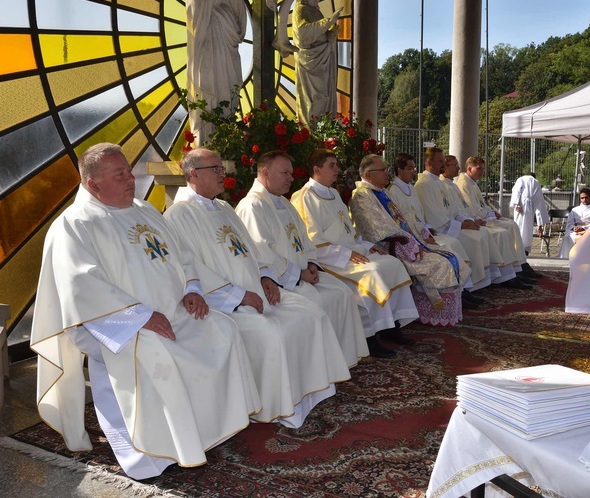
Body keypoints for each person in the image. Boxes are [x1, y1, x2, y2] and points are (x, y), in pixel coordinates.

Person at [30, 143, 261, 480]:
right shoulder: (74, 225)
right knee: (159, 354)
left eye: (128, 170)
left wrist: (192, 289)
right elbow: (82, 286)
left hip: (174, 311)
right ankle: (149, 457)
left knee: (222, 329)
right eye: (119, 174)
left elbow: (182, 255)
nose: (130, 179)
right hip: (117, 324)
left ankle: (203, 433)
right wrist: (140, 317)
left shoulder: (145, 210)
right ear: (93, 184)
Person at [164, 148, 351, 428]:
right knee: (274, 334)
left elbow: (250, 249)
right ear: (193, 174)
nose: (221, 174)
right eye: (215, 169)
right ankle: (279, 408)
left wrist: (264, 277)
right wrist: (240, 296)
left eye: (220, 168)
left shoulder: (224, 207)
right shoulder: (179, 215)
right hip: (226, 304)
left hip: (256, 291)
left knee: (310, 313)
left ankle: (310, 395)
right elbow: (193, 269)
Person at [235, 151, 369, 366]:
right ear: (266, 172)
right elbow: (263, 253)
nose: (291, 178)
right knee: (319, 304)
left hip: (303, 274)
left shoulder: (284, 203)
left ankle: (339, 363)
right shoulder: (253, 206)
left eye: (291, 172)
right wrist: (299, 274)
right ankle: (321, 366)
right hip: (283, 282)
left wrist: (312, 264)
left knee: (342, 292)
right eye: (285, 173)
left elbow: (305, 240)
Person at [290, 149, 419, 357]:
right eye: (332, 165)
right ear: (317, 169)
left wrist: (367, 245)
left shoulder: (332, 193)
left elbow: (348, 229)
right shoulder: (304, 197)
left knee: (392, 263)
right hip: (330, 258)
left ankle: (391, 325)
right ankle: (370, 336)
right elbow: (311, 241)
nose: (337, 170)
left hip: (352, 250)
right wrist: (345, 254)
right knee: (372, 273)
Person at [348, 154, 470, 326]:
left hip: (408, 241)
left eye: (387, 169)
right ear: (368, 175)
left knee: (450, 255)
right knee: (441, 263)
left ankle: (443, 310)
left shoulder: (382, 192)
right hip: (392, 246)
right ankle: (433, 311)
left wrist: (420, 232)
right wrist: (411, 244)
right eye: (383, 170)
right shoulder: (361, 196)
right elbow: (377, 228)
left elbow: (405, 217)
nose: (387, 173)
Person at [415, 149, 525, 291]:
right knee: (477, 238)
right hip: (443, 231)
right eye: (440, 161)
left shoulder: (440, 183)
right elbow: (435, 218)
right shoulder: (423, 185)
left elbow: (454, 210)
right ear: (429, 163)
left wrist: (466, 221)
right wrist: (461, 225)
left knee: (483, 233)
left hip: (453, 225)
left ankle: (492, 279)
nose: (443, 164)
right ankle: (472, 286)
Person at [388, 152, 479, 309]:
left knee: (453, 246)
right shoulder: (393, 192)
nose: (413, 172)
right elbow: (400, 222)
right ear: (399, 170)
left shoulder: (410, 188)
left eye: (414, 168)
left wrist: (426, 230)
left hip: (423, 234)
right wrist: (422, 236)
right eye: (409, 168)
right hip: (411, 240)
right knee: (450, 246)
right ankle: (454, 294)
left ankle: (461, 291)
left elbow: (420, 216)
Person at [454, 156, 540, 280]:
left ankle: (520, 264)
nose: (482, 172)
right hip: (478, 219)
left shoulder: (472, 183)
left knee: (512, 224)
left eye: (483, 169)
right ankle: (512, 270)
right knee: (505, 231)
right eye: (479, 169)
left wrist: (493, 212)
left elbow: (482, 203)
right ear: (469, 168)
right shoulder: (463, 184)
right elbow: (472, 208)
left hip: (484, 217)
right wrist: (489, 215)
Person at [185, 0, 247, 145]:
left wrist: (222, 15)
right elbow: (194, 13)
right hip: (205, 53)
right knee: (205, 99)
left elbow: (240, 27)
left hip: (227, 54)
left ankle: (226, 139)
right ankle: (206, 143)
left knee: (226, 90)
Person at [292, 0, 341, 126]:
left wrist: (330, 36)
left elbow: (321, 36)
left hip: (322, 60)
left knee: (324, 95)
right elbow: (302, 34)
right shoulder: (300, 9)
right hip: (309, 63)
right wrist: (328, 21)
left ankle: (323, 131)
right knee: (314, 98)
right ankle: (311, 131)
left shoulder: (315, 11)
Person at [509, 172, 550, 255]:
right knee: (527, 230)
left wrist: (516, 203)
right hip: (530, 209)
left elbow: (516, 191)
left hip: (520, 206)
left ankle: (518, 249)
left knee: (519, 227)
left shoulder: (521, 179)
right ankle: (524, 250)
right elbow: (540, 204)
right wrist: (540, 225)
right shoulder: (536, 182)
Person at [559, 188, 590, 259]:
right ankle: (566, 258)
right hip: (575, 230)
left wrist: (583, 228)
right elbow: (569, 222)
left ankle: (585, 259)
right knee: (567, 237)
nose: (584, 200)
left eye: (586, 197)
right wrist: (574, 227)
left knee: (586, 238)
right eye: (582, 198)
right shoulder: (575, 210)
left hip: (589, 230)